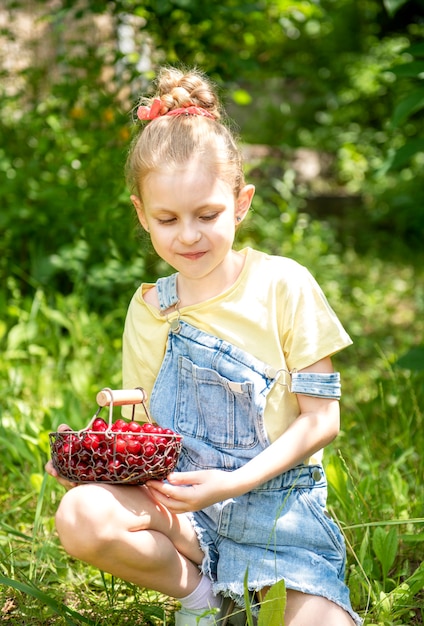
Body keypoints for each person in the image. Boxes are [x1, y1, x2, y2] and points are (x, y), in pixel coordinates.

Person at [46, 66, 362, 626]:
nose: (188, 235)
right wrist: (96, 462)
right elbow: (145, 432)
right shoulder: (149, 309)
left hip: (278, 518)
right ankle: (202, 600)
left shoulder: (283, 286)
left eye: (208, 215)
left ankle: (261, 594)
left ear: (241, 203)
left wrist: (233, 482)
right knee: (81, 514)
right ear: (142, 216)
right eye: (167, 218)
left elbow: (322, 422)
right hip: (184, 513)